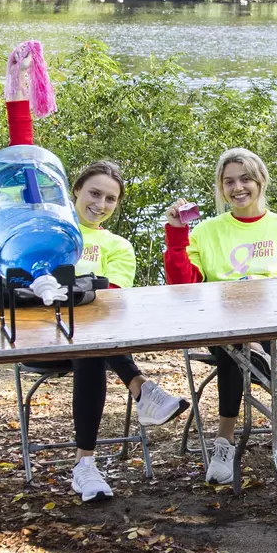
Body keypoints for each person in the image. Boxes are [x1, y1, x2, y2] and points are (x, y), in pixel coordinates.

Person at [165, 148, 277, 486]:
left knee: (236, 345)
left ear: (260, 181)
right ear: (220, 188)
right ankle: (227, 437)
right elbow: (184, 286)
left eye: (245, 178)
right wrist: (176, 235)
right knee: (233, 341)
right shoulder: (206, 231)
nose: (238, 187)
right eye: (229, 181)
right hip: (223, 326)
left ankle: (225, 436)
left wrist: (271, 310)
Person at [55, 161, 188, 503]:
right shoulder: (50, 230)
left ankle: (85, 466)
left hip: (91, 336)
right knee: (92, 337)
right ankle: (141, 388)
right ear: (76, 191)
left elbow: (111, 296)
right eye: (94, 193)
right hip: (44, 334)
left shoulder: (118, 246)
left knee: (91, 342)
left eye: (110, 199)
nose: (100, 204)